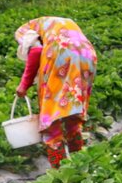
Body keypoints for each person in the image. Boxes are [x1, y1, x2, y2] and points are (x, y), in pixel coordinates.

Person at [14, 17, 97, 168]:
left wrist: (24, 85)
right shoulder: (51, 23)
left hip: (61, 54)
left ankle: (59, 169)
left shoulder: (22, 31)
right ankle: (79, 164)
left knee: (50, 119)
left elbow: (36, 51)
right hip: (87, 56)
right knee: (72, 112)